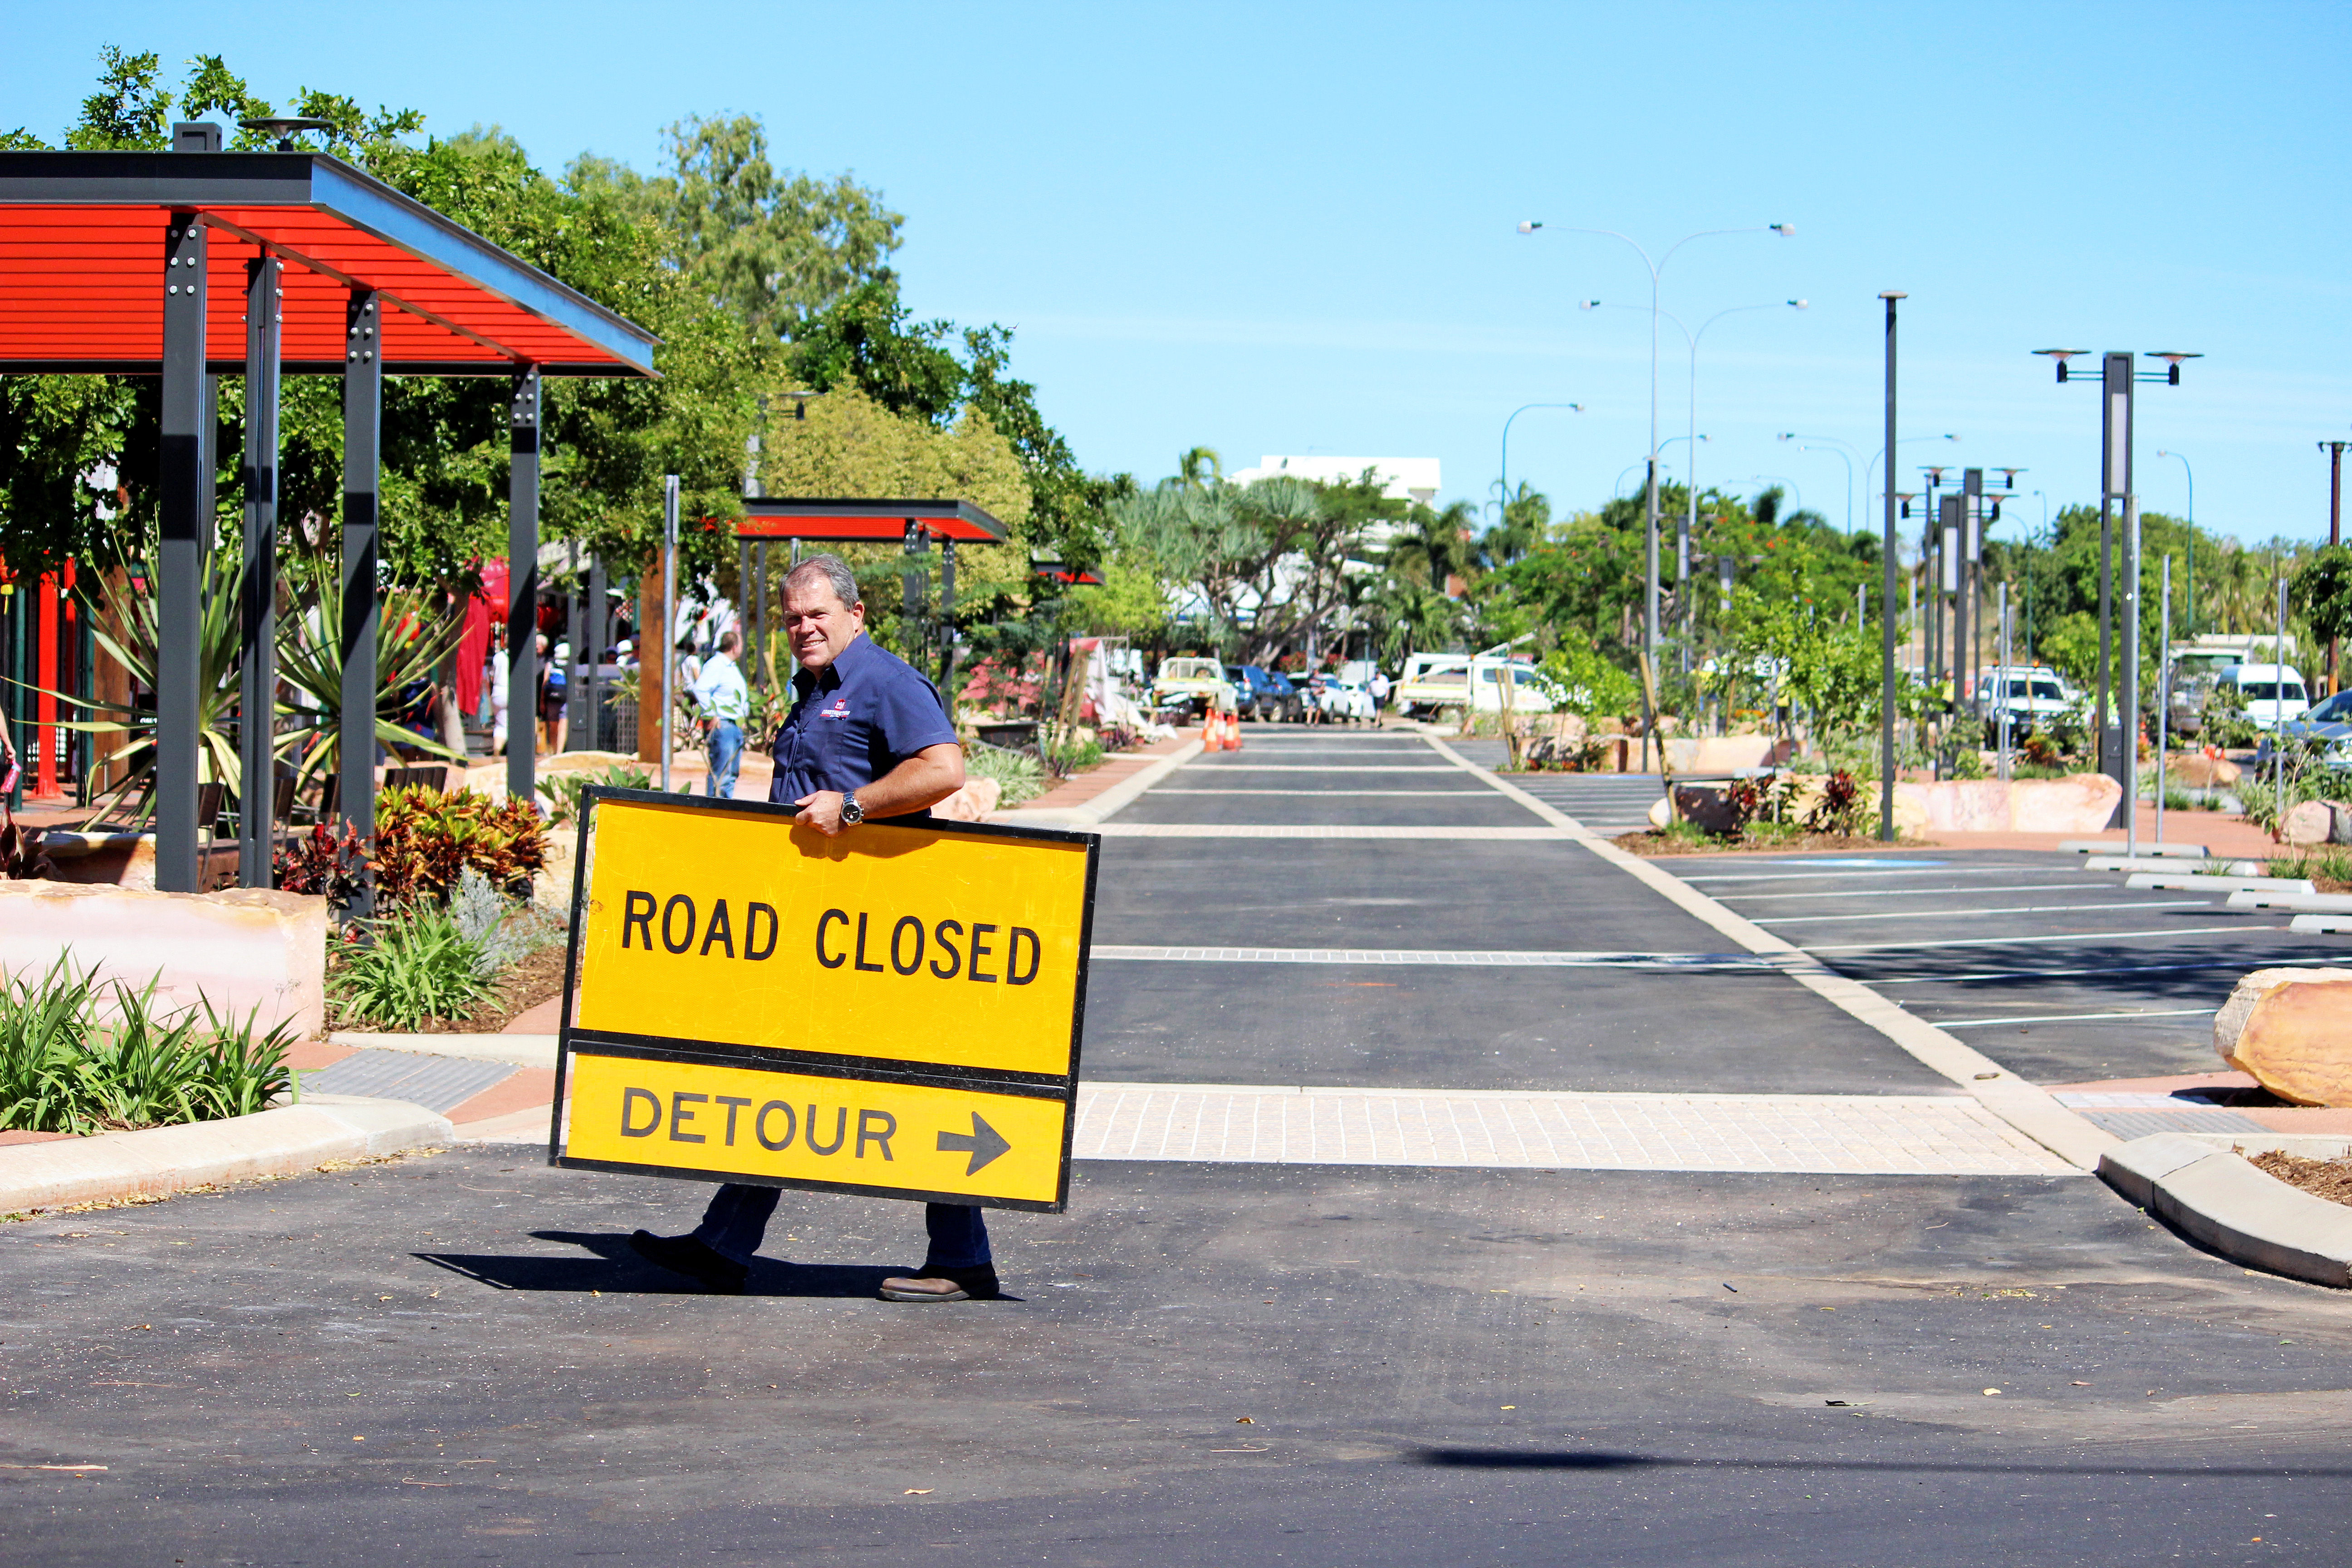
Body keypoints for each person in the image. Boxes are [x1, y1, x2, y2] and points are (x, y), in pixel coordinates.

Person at [629, 554, 990, 1303]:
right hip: (807, 929)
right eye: (792, 617)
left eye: (817, 614)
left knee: (913, 1085)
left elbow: (944, 768)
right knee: (781, 1079)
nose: (803, 628)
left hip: (874, 931)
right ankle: (722, 1246)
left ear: (855, 615)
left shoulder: (884, 682)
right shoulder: (812, 693)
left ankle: (962, 1258)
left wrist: (852, 805)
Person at [688, 628, 750, 799]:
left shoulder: (729, 666)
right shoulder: (717, 665)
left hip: (733, 726)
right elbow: (700, 689)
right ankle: (716, 812)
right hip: (724, 725)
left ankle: (725, 810)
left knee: (730, 774)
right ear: (735, 647)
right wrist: (712, 716)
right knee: (722, 774)